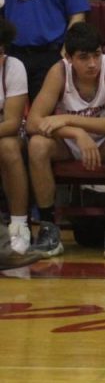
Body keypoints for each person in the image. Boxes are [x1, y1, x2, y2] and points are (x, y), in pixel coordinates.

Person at [25, 22, 105, 258]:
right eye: (84, 57)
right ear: (70, 57)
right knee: (37, 145)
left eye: (96, 55)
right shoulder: (58, 71)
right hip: (68, 145)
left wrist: (67, 120)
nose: (93, 63)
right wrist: (76, 133)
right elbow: (33, 122)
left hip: (104, 143)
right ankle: (48, 226)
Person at [0, 18, 32, 254]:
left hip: (6, 132)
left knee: (8, 148)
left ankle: (19, 226)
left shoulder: (14, 67)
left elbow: (11, 123)